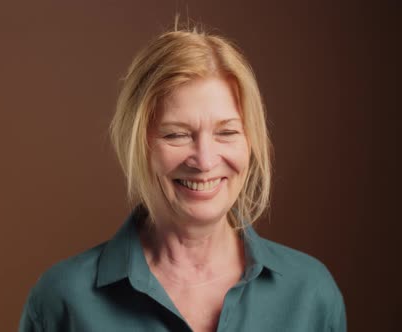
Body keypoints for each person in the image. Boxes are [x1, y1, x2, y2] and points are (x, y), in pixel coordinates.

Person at [18, 26, 346, 332]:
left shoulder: (309, 293)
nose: (204, 161)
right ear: (137, 144)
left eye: (227, 132)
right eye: (176, 135)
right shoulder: (62, 301)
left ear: (251, 142)